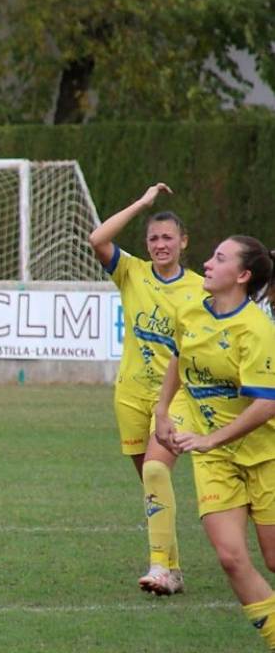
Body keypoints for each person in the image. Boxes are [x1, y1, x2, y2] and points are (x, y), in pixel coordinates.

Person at [154, 235, 275, 650]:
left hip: (267, 455)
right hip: (215, 459)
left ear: (242, 276)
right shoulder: (189, 310)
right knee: (230, 558)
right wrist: (162, 410)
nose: (206, 263)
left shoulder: (256, 329)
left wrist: (210, 439)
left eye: (219, 259)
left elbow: (265, 405)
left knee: (273, 558)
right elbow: (177, 356)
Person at [89, 183, 203, 595]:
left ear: (183, 242)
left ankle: (158, 567)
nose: (160, 245)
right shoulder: (131, 271)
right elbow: (97, 239)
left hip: (175, 399)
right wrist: (142, 204)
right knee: (152, 483)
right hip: (130, 397)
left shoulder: (198, 289)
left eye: (168, 237)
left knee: (156, 470)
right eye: (153, 238)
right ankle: (171, 570)